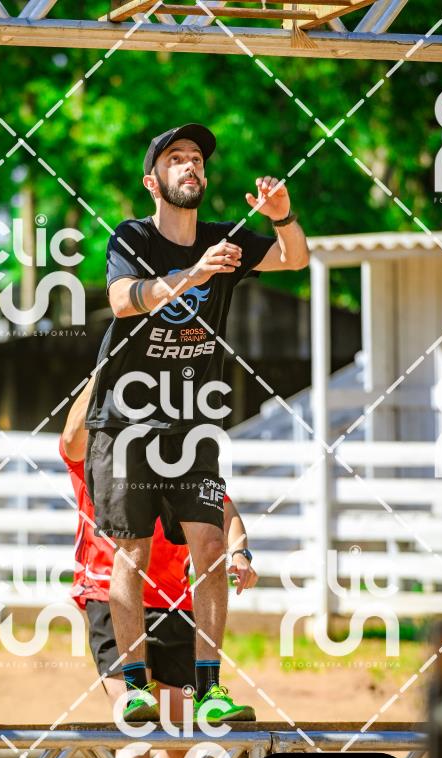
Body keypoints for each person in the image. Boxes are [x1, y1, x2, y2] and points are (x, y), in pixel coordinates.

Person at [84, 123, 309, 723]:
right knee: (132, 551)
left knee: (209, 545)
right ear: (152, 181)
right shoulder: (132, 236)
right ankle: (134, 685)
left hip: (193, 422)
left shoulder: (223, 239)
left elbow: (295, 258)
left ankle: (210, 689)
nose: (190, 166)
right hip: (126, 421)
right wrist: (197, 275)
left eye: (197, 160)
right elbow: (124, 299)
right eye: (176, 159)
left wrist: (283, 216)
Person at [60, 378, 258, 758]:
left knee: (179, 741)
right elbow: (71, 438)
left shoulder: (178, 460)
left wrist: (239, 552)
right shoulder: (100, 457)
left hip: (175, 605)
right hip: (107, 593)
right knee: (136, 720)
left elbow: (225, 510)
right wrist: (106, 369)